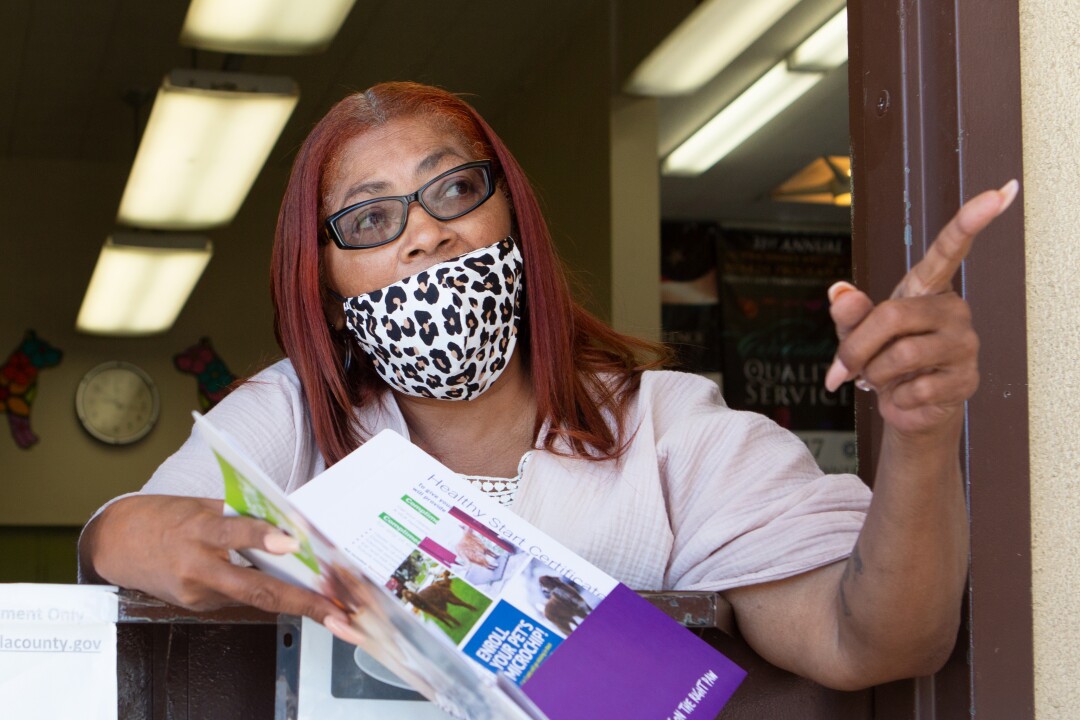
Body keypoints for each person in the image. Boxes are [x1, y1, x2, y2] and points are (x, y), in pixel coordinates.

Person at [78, 81, 1018, 691]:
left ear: (511, 218)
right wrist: (119, 533)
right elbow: (146, 548)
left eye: (453, 190)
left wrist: (923, 431)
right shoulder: (291, 415)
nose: (423, 233)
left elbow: (878, 643)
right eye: (367, 218)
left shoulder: (672, 430)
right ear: (320, 278)